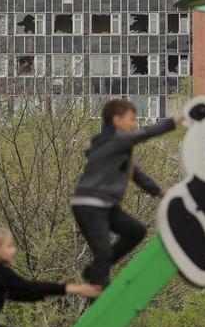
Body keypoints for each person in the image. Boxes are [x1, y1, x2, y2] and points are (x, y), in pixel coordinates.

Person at [70, 99, 184, 288]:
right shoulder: (114, 140)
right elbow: (146, 133)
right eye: (131, 119)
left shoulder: (119, 148)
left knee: (136, 231)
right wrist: (174, 121)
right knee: (103, 252)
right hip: (89, 205)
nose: (135, 124)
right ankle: (98, 293)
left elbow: (136, 174)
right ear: (116, 120)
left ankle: (95, 269)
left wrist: (159, 192)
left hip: (106, 206)